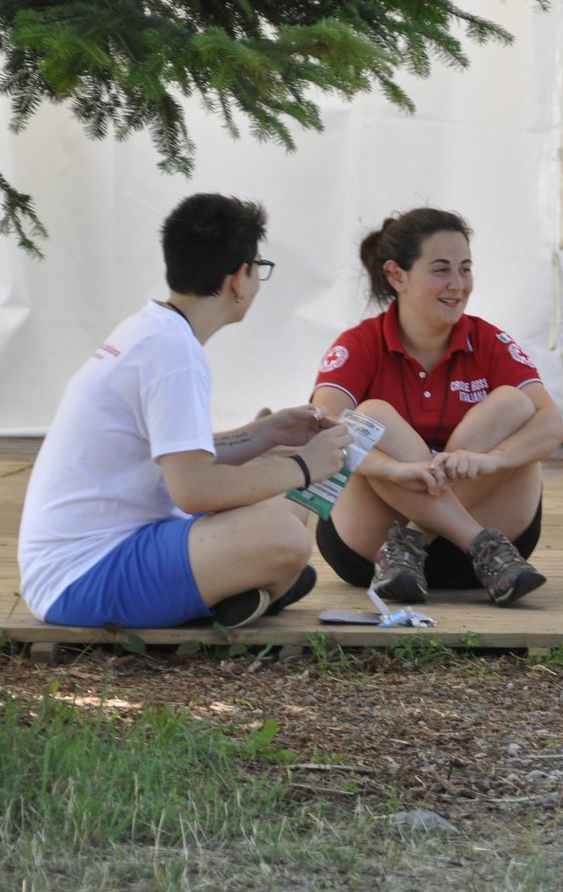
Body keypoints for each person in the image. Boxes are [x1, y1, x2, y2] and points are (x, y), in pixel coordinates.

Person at [18, 194, 354, 630]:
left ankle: (239, 590)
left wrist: (267, 433)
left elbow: (179, 456)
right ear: (239, 278)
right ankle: (234, 590)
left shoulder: (151, 328)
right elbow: (194, 490)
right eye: (258, 269)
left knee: (288, 510)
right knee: (285, 536)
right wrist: (305, 468)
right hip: (81, 577)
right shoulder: (173, 353)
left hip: (88, 559)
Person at [310, 208, 563, 606]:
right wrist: (394, 469)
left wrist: (493, 460)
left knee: (513, 404)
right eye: (441, 270)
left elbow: (553, 425)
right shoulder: (359, 343)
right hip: (373, 551)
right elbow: (321, 428)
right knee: (371, 417)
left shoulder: (490, 340)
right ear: (397, 275)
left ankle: (413, 542)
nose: (458, 285)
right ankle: (472, 541)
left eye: (465, 269)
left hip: (482, 562)